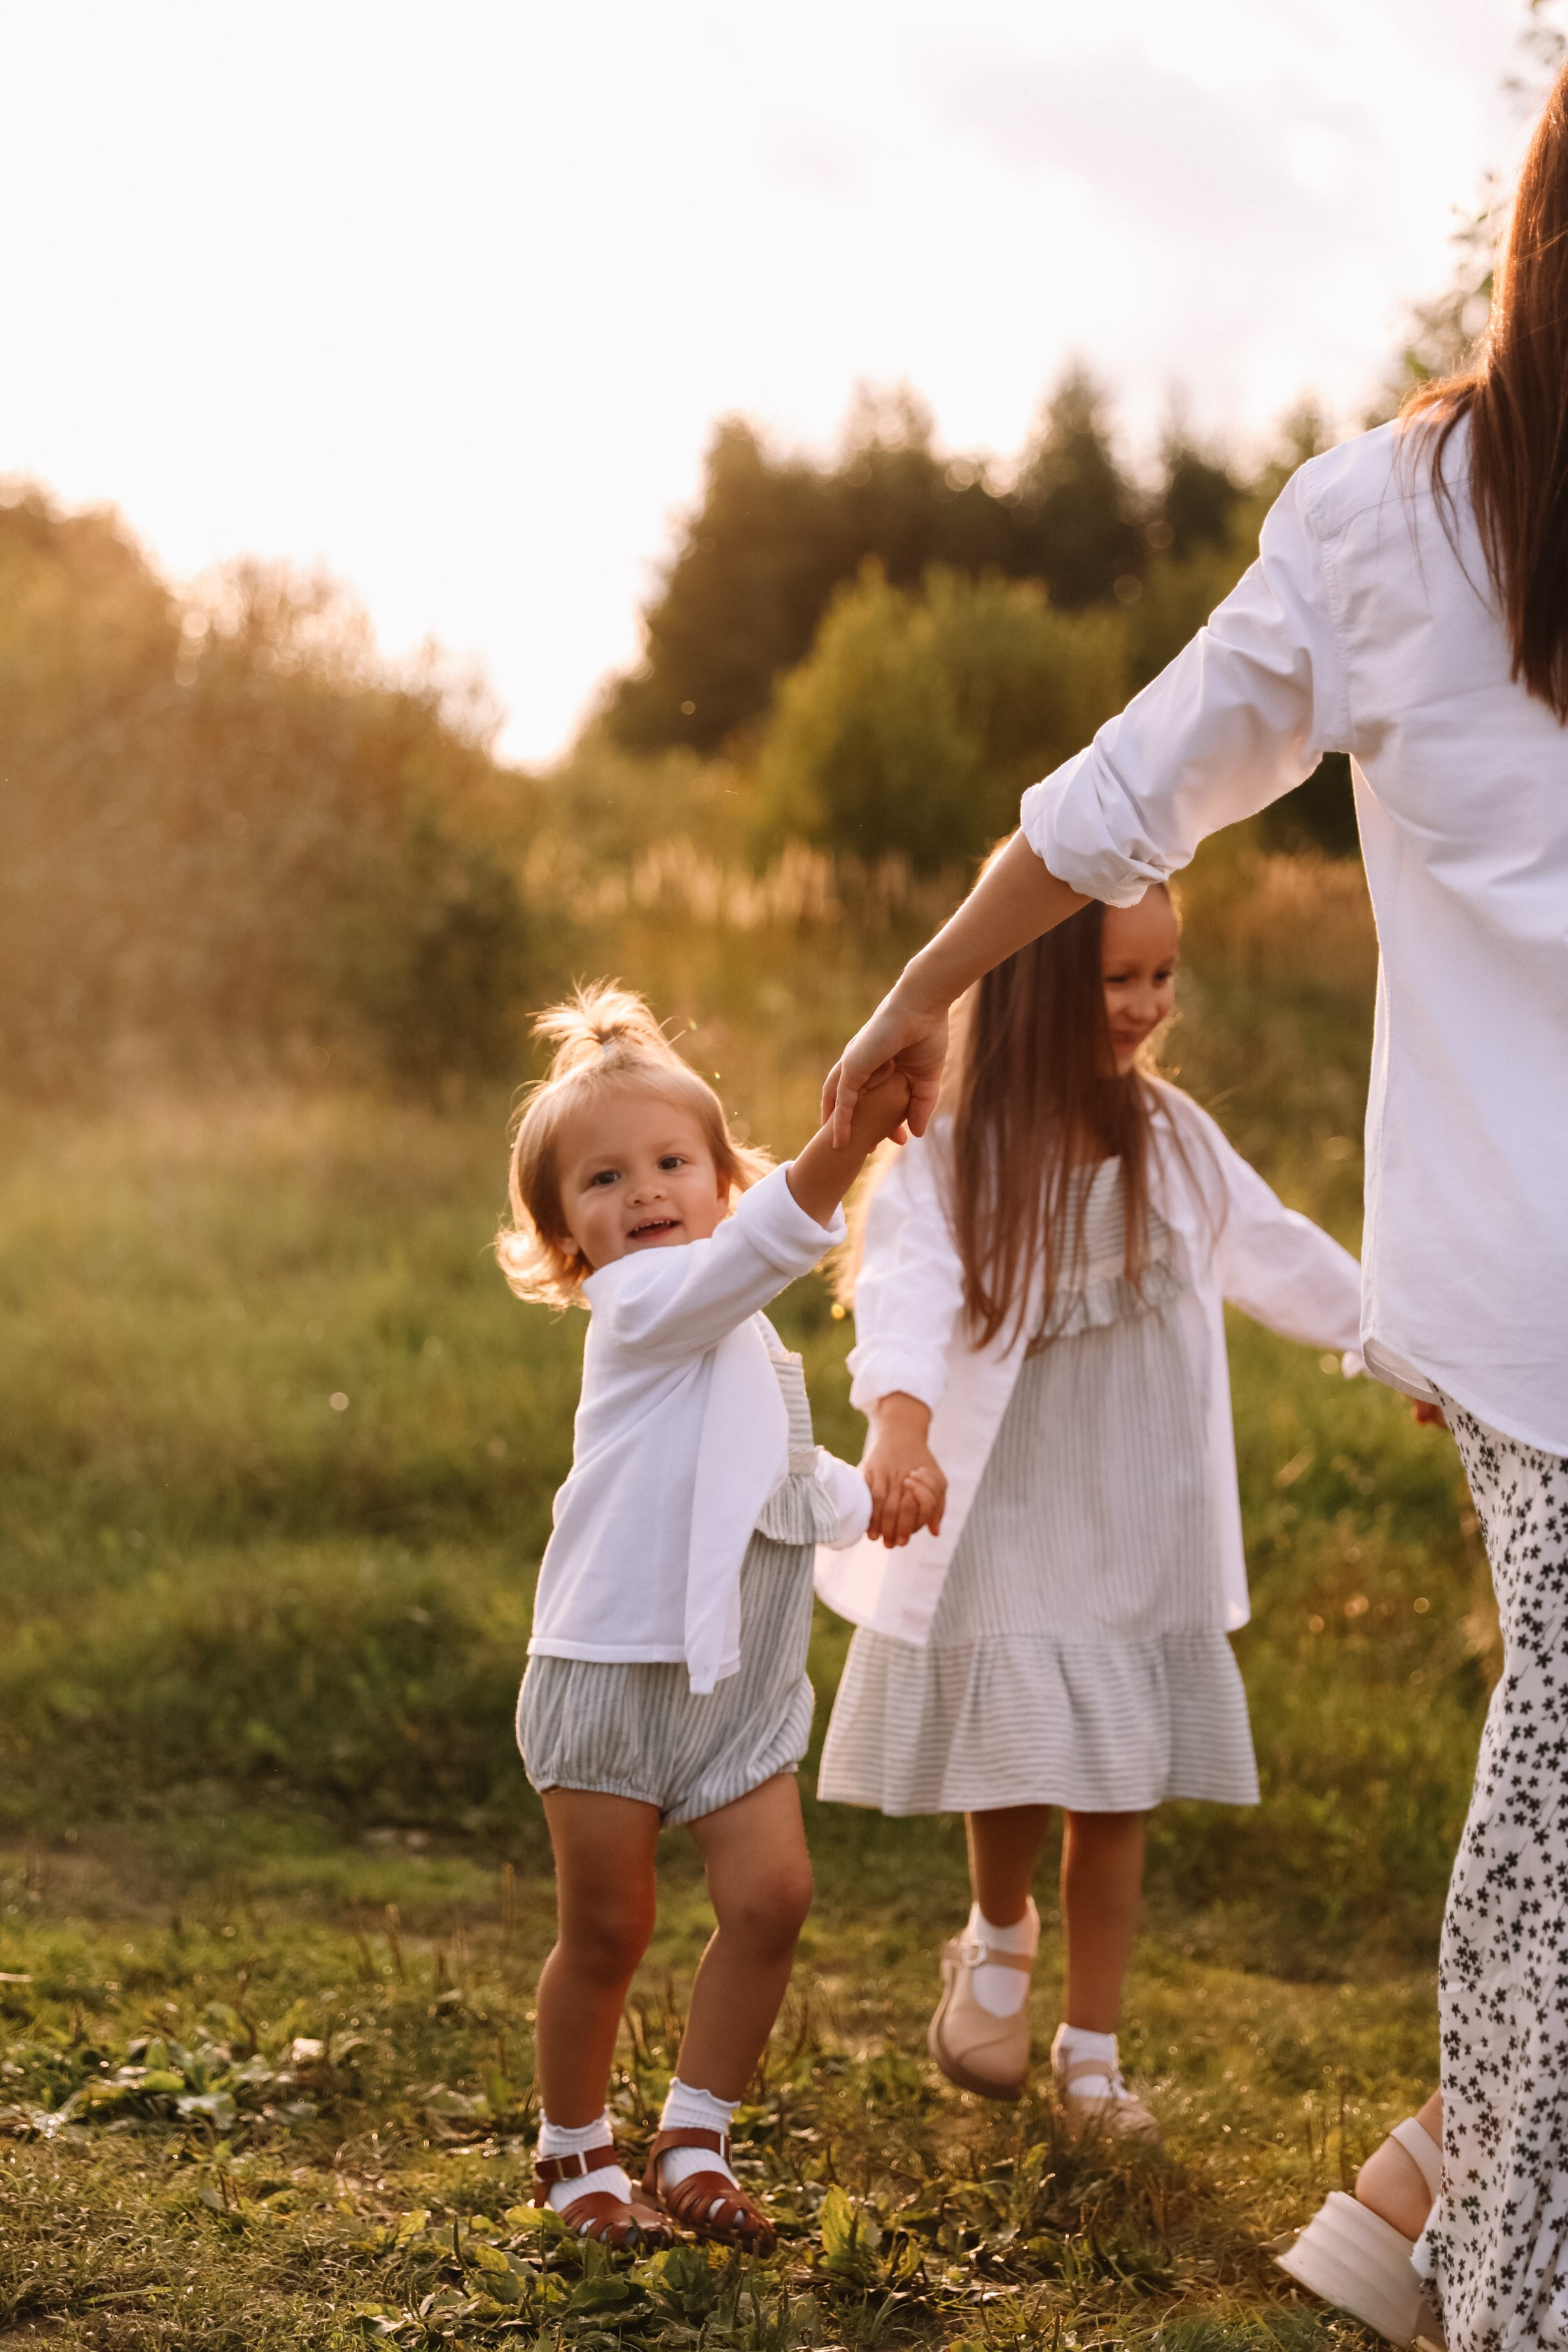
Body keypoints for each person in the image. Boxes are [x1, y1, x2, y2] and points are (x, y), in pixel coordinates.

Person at [822, 57, 1568, 2352]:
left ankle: (1428, 2193)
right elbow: (1133, 790)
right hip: (1547, 1311)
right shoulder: (1397, 527)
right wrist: (929, 993)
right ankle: (1504, 2271)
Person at [812, 883, 1362, 2138]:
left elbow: (1279, 1251)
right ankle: (998, 1941)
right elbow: (902, 1280)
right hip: (1007, 1502)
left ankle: (1095, 2051)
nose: (1149, 1006)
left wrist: (1403, 1349)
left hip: (1137, 1505)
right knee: (1014, 1740)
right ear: (1040, 980)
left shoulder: (1170, 1137)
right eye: (1122, 979)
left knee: (1119, 1778)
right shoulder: (956, 1147)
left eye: (1163, 977)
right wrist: (900, 1417)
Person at [496, 983, 932, 2252]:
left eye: (673, 1162)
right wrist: (842, 1144)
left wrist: (874, 1497)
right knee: (610, 1925)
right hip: (609, 1668)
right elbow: (748, 1263)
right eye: (603, 1180)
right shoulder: (638, 1311)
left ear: (720, 1177)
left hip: (732, 1683)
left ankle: (695, 2133)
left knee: (775, 1898)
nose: (644, 1192)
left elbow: (778, 1479)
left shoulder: (748, 1344)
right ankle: (574, 2150)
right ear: (567, 1240)